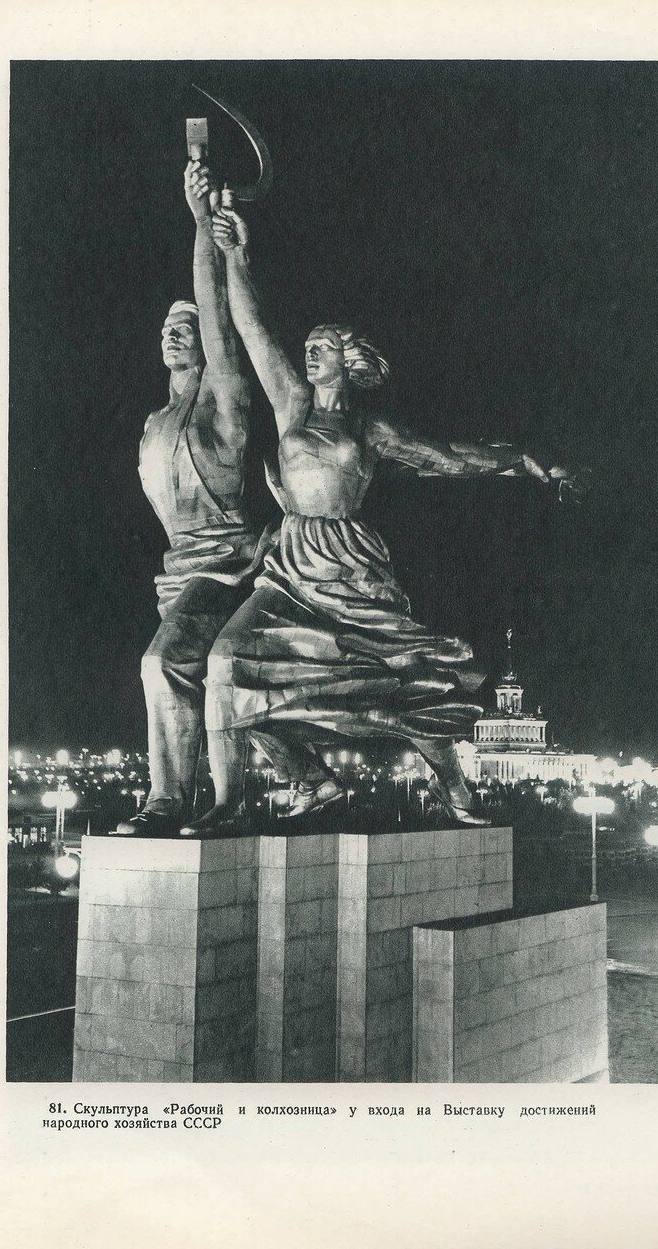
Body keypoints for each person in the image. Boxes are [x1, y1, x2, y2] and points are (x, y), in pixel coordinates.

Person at [186, 185, 574, 831]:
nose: (307, 352)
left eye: (321, 347)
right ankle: (288, 785)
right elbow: (252, 331)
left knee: (403, 678)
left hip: (349, 566)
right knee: (226, 661)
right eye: (306, 346)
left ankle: (453, 782)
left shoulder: (371, 428)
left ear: (348, 360)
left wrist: (533, 463)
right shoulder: (291, 404)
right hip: (288, 562)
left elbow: (450, 456)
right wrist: (236, 256)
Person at [119, 162, 335, 837]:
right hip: (180, 567)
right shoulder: (158, 422)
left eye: (185, 328)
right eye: (166, 330)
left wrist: (199, 229)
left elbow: (215, 315)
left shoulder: (223, 401)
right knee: (218, 679)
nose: (174, 334)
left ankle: (169, 800)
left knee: (162, 661)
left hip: (229, 562)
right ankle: (311, 777)